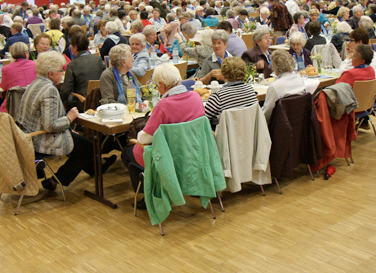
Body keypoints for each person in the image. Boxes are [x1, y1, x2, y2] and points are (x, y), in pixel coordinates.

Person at [17, 52, 114, 191]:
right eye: (61, 70)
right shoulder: (49, 90)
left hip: (28, 135)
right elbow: (51, 125)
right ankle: (57, 180)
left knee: (81, 143)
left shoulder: (35, 83)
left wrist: (67, 127)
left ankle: (97, 166)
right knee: (87, 147)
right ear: (51, 74)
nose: (63, 74)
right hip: (41, 138)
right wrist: (69, 118)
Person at [122, 63, 204, 206]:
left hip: (168, 157)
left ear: (162, 85)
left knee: (128, 152)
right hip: (193, 153)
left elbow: (146, 137)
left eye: (156, 85)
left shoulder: (164, 105)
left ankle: (150, 196)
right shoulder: (195, 97)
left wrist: (140, 133)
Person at [204, 56, 258, 130]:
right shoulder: (251, 91)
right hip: (249, 135)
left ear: (223, 74)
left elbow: (203, 120)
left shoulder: (218, 96)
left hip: (225, 138)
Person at [60, 32, 104, 111]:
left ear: (75, 48)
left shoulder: (72, 65)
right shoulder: (98, 59)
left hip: (81, 103)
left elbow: (66, 90)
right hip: (100, 100)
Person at [262, 49, 307, 122]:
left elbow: (266, 114)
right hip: (299, 123)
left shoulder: (275, 86)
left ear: (275, 66)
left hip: (280, 126)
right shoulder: (300, 80)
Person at [337, 27, 376, 92]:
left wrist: (348, 57)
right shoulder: (373, 53)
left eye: (351, 41)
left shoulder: (359, 57)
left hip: (371, 93)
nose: (349, 43)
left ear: (360, 42)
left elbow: (341, 73)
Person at [0, 42, 36, 113]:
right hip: (34, 103)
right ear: (26, 53)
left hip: (14, 106)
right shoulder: (36, 65)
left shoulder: (6, 69)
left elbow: (3, 87)